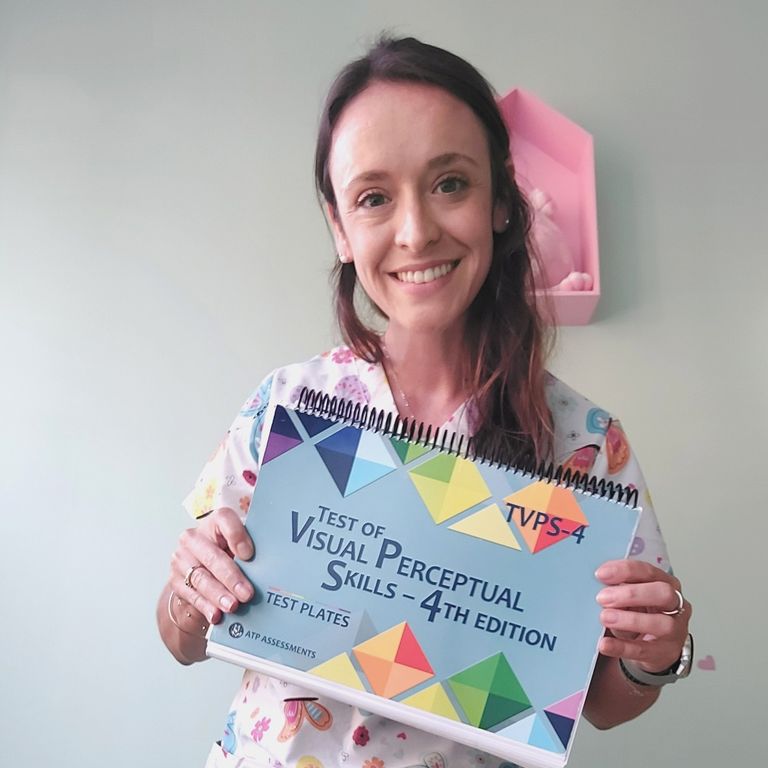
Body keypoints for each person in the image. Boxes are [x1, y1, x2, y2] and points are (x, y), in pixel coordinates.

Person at [157, 35, 693, 768]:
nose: (416, 232)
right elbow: (183, 640)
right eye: (374, 198)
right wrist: (189, 592)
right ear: (340, 228)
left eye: (451, 184)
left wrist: (651, 656)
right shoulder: (286, 405)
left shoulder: (588, 444)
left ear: (500, 199)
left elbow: (600, 704)